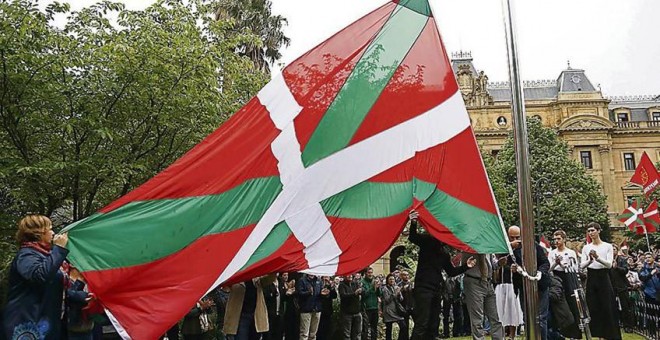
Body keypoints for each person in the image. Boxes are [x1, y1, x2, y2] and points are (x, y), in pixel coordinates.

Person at [408, 211, 475, 340]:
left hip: (436, 290)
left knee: (434, 322)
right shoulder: (428, 242)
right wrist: (414, 221)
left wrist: (466, 266)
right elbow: (413, 237)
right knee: (423, 322)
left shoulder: (444, 254)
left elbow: (451, 272)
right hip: (423, 289)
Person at [2, 214, 69, 340]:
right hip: (26, 324)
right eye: (49, 229)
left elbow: (54, 286)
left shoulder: (47, 256)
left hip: (46, 324)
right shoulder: (26, 255)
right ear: (39, 233)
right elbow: (40, 275)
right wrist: (59, 249)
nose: (53, 233)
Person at [507, 226, 551, 340]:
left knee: (540, 318)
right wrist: (511, 267)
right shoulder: (509, 250)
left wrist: (540, 272)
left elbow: (545, 263)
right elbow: (504, 262)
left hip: (540, 286)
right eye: (512, 237)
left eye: (518, 237)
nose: (516, 240)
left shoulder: (535, 246)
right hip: (523, 287)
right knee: (527, 319)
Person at [580, 222, 622, 339]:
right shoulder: (586, 247)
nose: (591, 233)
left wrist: (598, 258)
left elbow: (609, 264)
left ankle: (609, 334)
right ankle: (598, 334)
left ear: (599, 231)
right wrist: (590, 260)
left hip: (604, 276)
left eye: (593, 230)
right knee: (593, 306)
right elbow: (582, 265)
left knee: (607, 306)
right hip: (592, 276)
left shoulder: (607, 246)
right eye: (589, 231)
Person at [547, 230, 581, 338]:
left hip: (568, 278)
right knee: (558, 306)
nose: (556, 241)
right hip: (557, 278)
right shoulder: (552, 253)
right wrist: (556, 263)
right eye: (555, 239)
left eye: (558, 239)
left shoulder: (571, 252)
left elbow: (574, 268)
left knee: (572, 304)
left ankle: (574, 333)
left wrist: (562, 264)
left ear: (564, 239)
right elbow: (549, 269)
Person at [462, 252, 504, 340]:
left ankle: (498, 338)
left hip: (488, 282)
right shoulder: (469, 245)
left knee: (495, 317)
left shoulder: (487, 247)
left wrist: (499, 263)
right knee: (477, 319)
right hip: (474, 281)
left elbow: (493, 265)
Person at [224, 274, 277, 340]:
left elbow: (269, 279)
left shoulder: (257, 279)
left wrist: (274, 270)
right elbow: (225, 286)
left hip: (255, 317)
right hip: (240, 317)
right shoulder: (235, 278)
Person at [379, 274, 407, 340]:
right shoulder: (384, 289)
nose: (392, 281)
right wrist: (394, 294)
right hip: (388, 311)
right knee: (389, 329)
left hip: (396, 310)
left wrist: (399, 293)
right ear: (387, 280)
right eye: (390, 279)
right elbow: (387, 300)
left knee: (403, 326)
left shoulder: (396, 287)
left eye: (393, 279)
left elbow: (401, 299)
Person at [297, 274, 324, 340]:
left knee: (313, 334)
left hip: (317, 309)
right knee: (304, 334)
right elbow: (299, 293)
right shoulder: (302, 280)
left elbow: (321, 292)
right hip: (306, 309)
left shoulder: (319, 280)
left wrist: (324, 293)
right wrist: (309, 292)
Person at [338, 274, 362, 340]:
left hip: (357, 312)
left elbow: (362, 292)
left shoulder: (356, 283)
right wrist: (354, 294)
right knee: (346, 334)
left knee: (357, 333)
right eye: (348, 274)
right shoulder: (342, 285)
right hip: (347, 313)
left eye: (351, 274)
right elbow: (343, 296)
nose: (350, 276)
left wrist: (361, 291)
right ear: (344, 276)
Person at [360, 268, 380, 340]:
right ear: (365, 273)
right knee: (365, 328)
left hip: (375, 307)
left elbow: (379, 294)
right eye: (369, 273)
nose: (370, 274)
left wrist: (377, 288)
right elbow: (364, 294)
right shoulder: (362, 282)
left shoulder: (375, 281)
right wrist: (372, 287)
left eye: (371, 272)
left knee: (374, 327)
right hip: (366, 308)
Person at [397, 270, 413, 340]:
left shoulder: (411, 284)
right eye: (404, 275)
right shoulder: (399, 285)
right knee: (405, 325)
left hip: (412, 306)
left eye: (407, 275)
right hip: (404, 307)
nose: (406, 276)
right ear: (401, 276)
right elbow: (397, 296)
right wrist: (402, 289)